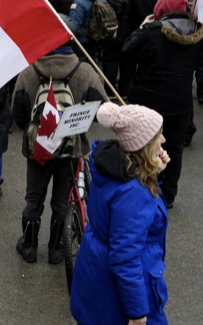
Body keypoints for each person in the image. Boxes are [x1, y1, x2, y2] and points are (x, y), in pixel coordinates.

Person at [11, 29, 107, 263]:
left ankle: (30, 246)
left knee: (33, 199)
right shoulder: (85, 71)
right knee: (62, 200)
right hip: (71, 148)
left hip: (38, 148)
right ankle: (56, 250)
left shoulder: (29, 71)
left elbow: (18, 114)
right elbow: (102, 110)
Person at [70, 101, 169, 325]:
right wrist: (137, 314)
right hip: (120, 292)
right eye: (158, 136)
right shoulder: (134, 192)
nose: (163, 140)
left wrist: (154, 173)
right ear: (142, 146)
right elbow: (125, 256)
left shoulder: (114, 166)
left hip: (96, 272)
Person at [122, 0, 203, 208]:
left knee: (144, 146)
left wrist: (140, 28)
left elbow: (127, 51)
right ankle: (168, 195)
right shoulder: (198, 34)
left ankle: (144, 187)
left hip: (150, 100)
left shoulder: (152, 32)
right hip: (180, 101)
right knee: (174, 149)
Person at [104, 0, 144, 98]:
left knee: (111, 60)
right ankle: (125, 90)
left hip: (117, 32)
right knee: (128, 63)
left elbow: (112, 16)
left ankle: (109, 90)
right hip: (133, 32)